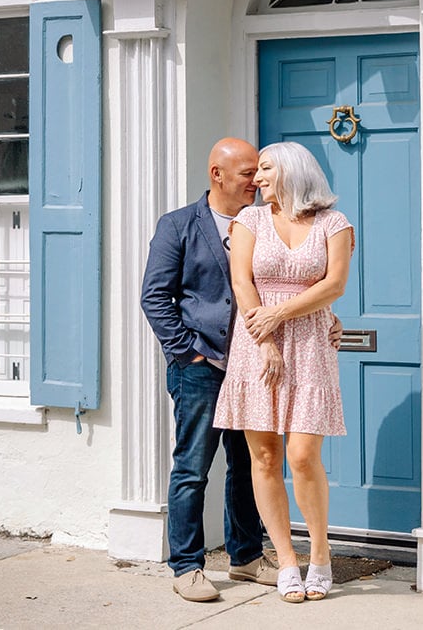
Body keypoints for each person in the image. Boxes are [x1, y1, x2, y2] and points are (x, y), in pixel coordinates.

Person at [140, 138, 280, 602]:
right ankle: (186, 566)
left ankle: (245, 557)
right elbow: (155, 297)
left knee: (247, 466)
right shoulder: (178, 225)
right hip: (200, 368)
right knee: (192, 469)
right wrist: (188, 353)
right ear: (217, 174)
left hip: (250, 368)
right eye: (247, 174)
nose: (256, 182)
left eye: (259, 173)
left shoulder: (265, 223)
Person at [213, 141, 353, 604]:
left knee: (302, 455)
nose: (257, 179)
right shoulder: (249, 219)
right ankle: (287, 561)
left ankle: (320, 554)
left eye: (266, 168)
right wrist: (266, 337)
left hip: (311, 342)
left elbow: (333, 285)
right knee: (266, 458)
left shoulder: (334, 223)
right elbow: (242, 282)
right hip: (256, 343)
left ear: (293, 171)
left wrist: (283, 315)